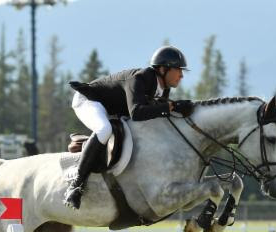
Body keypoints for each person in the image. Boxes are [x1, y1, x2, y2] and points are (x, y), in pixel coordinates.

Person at [64, 45, 194, 209]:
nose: (181, 75)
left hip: (111, 110)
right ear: (163, 69)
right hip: (89, 100)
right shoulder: (140, 78)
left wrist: (176, 107)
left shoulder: (162, 89)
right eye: (178, 70)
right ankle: (76, 185)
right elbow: (137, 113)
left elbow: (155, 112)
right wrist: (170, 107)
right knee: (104, 130)